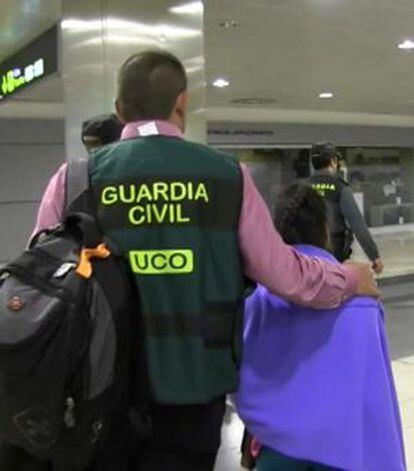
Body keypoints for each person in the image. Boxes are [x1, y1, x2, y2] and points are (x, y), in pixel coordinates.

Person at [32, 50, 379, 471]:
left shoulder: (72, 180)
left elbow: (46, 286)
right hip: (194, 394)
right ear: (181, 102)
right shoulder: (226, 177)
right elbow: (286, 276)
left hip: (96, 397)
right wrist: (347, 278)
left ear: (120, 110)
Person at [235, 183, 405, 471]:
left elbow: (242, 373)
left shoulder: (257, 300)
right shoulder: (362, 303)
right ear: (325, 230)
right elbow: (376, 398)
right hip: (343, 452)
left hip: (276, 451)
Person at [308, 142, 384, 273]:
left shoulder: (302, 187)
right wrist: (374, 256)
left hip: (308, 257)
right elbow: (357, 224)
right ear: (333, 161)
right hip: (334, 255)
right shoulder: (340, 187)